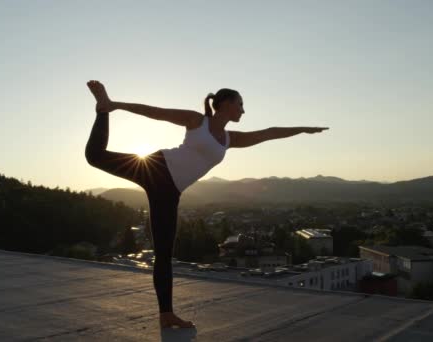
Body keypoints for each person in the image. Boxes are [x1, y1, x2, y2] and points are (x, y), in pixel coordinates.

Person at [84, 80, 328, 329]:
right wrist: (115, 105)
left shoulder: (229, 139)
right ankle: (102, 108)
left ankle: (166, 314)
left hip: (170, 192)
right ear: (225, 103)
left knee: (164, 254)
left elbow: (268, 133)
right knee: (94, 156)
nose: (243, 110)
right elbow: (155, 111)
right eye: (240, 104)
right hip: (155, 167)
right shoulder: (196, 121)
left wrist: (302, 129)